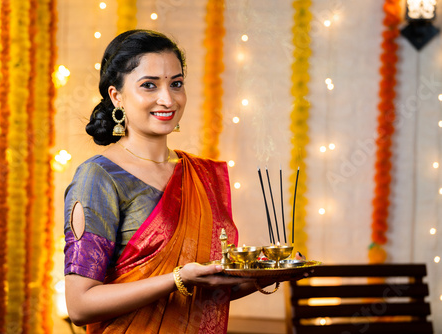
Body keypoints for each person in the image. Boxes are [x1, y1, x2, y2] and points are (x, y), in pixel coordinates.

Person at [64, 29, 303, 334]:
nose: (168, 99)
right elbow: (80, 306)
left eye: (176, 84)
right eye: (149, 85)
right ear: (117, 96)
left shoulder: (199, 174)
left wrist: (267, 274)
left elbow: (205, 291)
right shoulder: (98, 177)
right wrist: (178, 278)